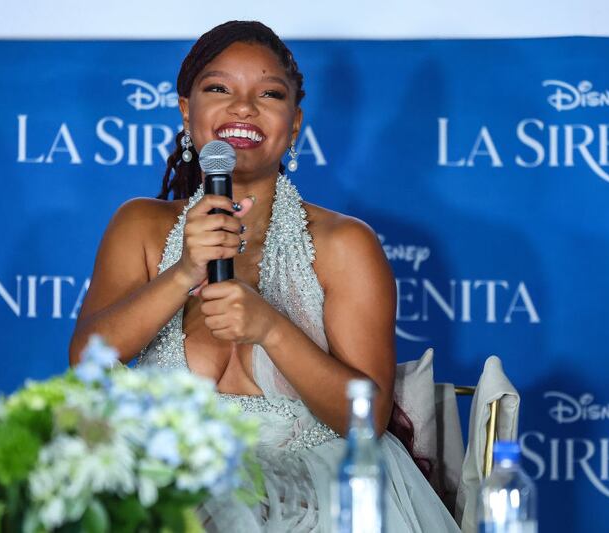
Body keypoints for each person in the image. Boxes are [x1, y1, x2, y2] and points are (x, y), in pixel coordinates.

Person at [69, 20, 459, 532]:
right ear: (186, 112)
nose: (244, 108)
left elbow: (366, 419)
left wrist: (271, 328)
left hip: (319, 501)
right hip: (174, 493)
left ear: (293, 126)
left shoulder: (345, 244)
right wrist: (183, 272)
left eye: (268, 93)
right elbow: (86, 365)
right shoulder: (139, 226)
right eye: (218, 88)